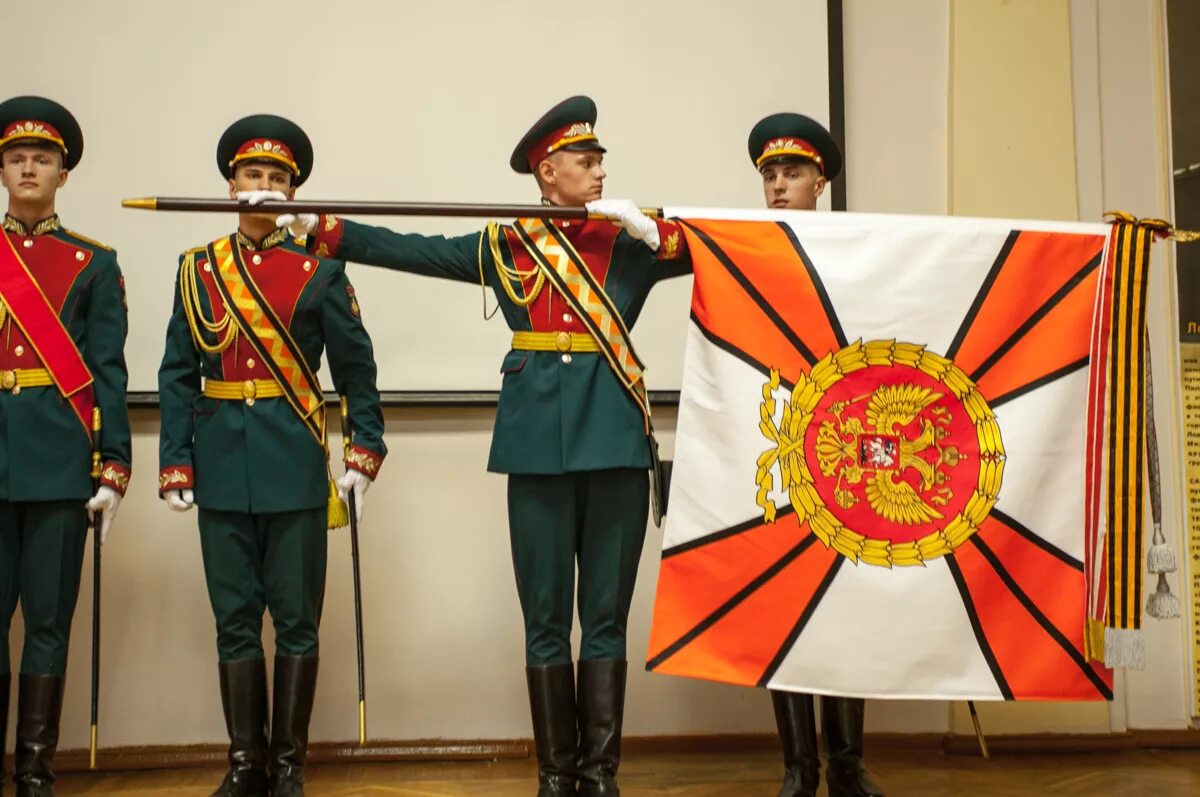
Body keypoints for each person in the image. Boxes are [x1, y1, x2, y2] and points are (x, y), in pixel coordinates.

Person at [263, 95, 689, 796]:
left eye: (600, 161)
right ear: (548, 172)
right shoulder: (506, 246)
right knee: (546, 618)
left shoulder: (626, 242)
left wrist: (660, 233)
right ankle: (557, 775)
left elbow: (722, 246)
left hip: (613, 440)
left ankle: (599, 775)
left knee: (606, 618)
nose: (600, 172)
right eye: (586, 162)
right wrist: (325, 229)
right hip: (536, 445)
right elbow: (413, 250)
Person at [157, 114, 386, 797]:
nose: (264, 185)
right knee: (234, 622)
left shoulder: (320, 271)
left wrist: (362, 450)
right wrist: (176, 458)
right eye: (253, 174)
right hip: (220, 462)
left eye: (278, 178)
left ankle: (288, 767)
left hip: (293, 462)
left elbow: (357, 371)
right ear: (231, 184)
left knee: (294, 620)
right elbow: (175, 372)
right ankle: (244, 764)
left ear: (293, 193)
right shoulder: (197, 270)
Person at [750, 112, 884, 797]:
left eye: (792, 173)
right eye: (769, 175)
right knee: (789, 604)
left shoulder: (859, 248)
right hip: (780, 445)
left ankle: (849, 762)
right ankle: (799, 767)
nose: (778, 185)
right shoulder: (749, 252)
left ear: (820, 181)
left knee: (849, 605)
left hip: (850, 451)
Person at [0, 95, 131, 797]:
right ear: (2, 169)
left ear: (62, 173)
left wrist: (114, 463)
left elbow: (109, 371)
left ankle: (34, 770)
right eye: (16, 157)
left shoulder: (92, 263)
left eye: (41, 159)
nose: (28, 167)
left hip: (58, 462)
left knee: (48, 622)